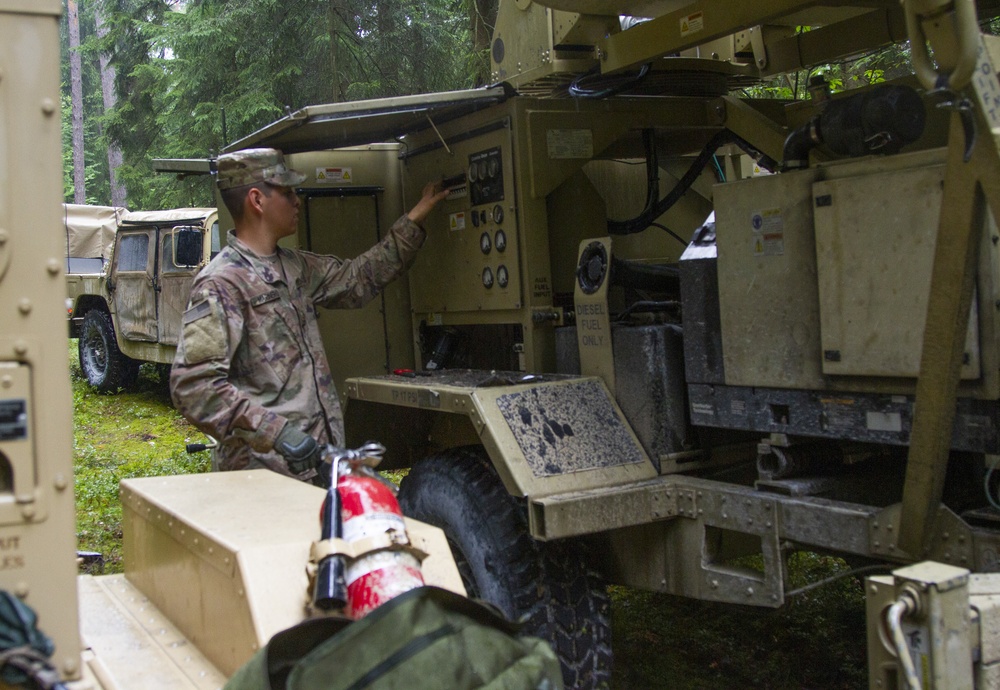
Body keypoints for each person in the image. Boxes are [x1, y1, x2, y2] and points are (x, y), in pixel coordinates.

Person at [170, 147, 449, 481]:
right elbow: (194, 386)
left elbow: (358, 278)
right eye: (287, 192)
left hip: (316, 464)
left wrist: (417, 214)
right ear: (257, 200)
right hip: (263, 476)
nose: (297, 200)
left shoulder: (295, 266)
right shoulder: (221, 283)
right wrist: (278, 433)